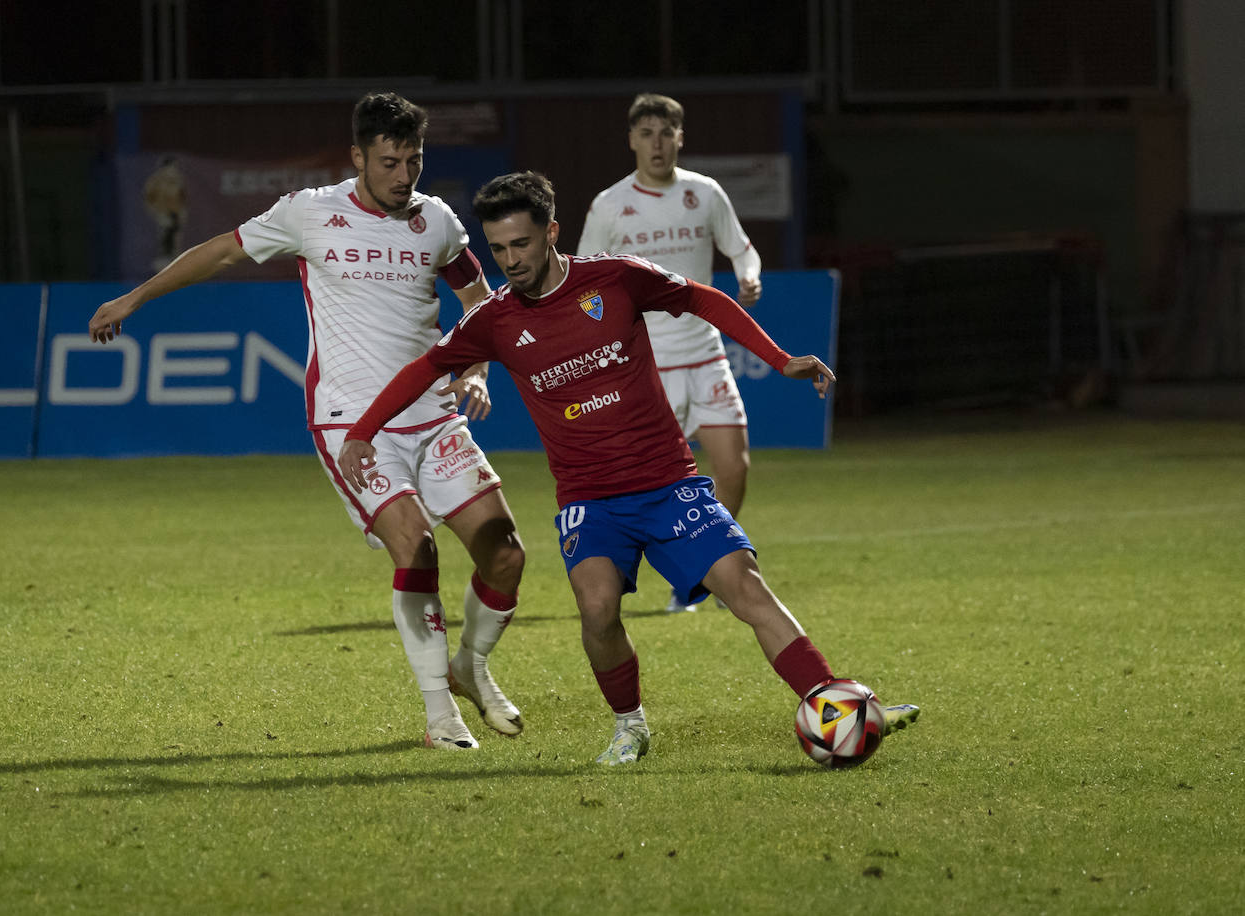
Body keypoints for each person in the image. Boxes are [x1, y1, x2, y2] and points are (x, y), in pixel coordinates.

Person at [339, 171, 919, 765]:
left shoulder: (613, 278)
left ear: (552, 233)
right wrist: (361, 433)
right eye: (499, 248)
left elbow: (701, 297)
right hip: (590, 501)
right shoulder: (495, 319)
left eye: (522, 244)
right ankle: (630, 725)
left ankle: (838, 703)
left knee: (745, 587)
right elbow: (425, 369)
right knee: (596, 608)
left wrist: (778, 358)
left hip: (669, 483)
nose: (511, 260)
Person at [88, 92, 526, 751]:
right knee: (418, 547)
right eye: (389, 163)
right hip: (351, 422)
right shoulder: (311, 213)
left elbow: (476, 300)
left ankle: (470, 662)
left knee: (506, 553)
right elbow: (222, 252)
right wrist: (135, 297)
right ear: (358, 158)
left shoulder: (435, 221)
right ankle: (441, 714)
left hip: (435, 419)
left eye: (415, 160)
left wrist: (477, 370)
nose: (404, 177)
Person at [576, 93, 760, 613]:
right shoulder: (610, 205)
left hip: (705, 354)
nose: (657, 143)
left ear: (680, 138)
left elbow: (741, 246)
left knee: (735, 467)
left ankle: (713, 572)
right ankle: (662, 574)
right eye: (647, 133)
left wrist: (749, 275)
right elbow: (585, 276)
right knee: (646, 485)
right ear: (632, 140)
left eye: (666, 132)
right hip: (646, 366)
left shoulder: (705, 194)